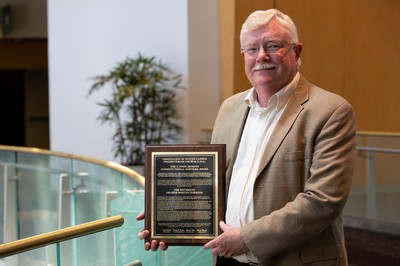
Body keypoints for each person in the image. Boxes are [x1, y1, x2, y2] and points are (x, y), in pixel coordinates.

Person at [137, 8, 356, 266]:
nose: (261, 56)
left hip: (293, 260)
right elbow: (212, 185)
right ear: (243, 55)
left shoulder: (330, 111)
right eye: (252, 49)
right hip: (229, 258)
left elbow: (322, 202)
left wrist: (246, 239)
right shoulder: (229, 108)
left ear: (296, 52)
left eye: (273, 45)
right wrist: (168, 216)